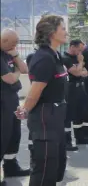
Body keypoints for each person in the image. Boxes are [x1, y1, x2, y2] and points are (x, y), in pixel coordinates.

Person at [15, 15, 68, 186]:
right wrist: (25, 109)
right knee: (45, 167)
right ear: (52, 33)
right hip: (45, 117)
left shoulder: (55, 55)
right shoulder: (44, 57)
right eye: (63, 28)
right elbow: (35, 91)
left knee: (56, 166)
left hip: (56, 115)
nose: (66, 32)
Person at [1, 29, 30, 186]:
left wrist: (16, 56)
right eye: (13, 43)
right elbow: (10, 79)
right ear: (4, 41)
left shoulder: (8, 53)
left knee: (14, 134)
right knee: (3, 135)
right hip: (2, 101)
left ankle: (11, 166)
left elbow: (25, 69)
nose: (16, 46)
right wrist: (17, 71)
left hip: (12, 99)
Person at [62, 39, 88, 147]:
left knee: (81, 113)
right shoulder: (65, 58)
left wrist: (80, 69)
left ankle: (80, 137)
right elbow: (76, 73)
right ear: (72, 46)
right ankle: (67, 141)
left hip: (81, 87)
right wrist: (80, 63)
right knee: (70, 115)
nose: (80, 53)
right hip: (71, 89)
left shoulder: (77, 57)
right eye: (79, 50)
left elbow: (85, 72)